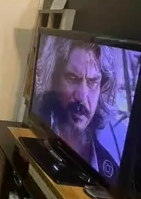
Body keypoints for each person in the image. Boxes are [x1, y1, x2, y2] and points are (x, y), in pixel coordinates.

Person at [34, 37, 120, 183]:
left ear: (102, 88)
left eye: (93, 81)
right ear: (54, 79)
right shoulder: (38, 131)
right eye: (72, 78)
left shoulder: (110, 174)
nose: (82, 96)